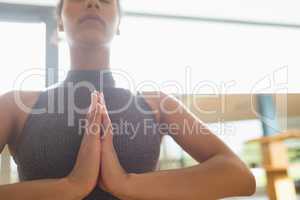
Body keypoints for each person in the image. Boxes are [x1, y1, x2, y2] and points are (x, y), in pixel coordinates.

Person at [0, 0, 256, 199]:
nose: (93, 3)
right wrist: (71, 187)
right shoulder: (16, 106)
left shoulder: (156, 104)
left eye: (106, 0)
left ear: (119, 23)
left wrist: (125, 183)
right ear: (60, 21)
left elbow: (239, 175)